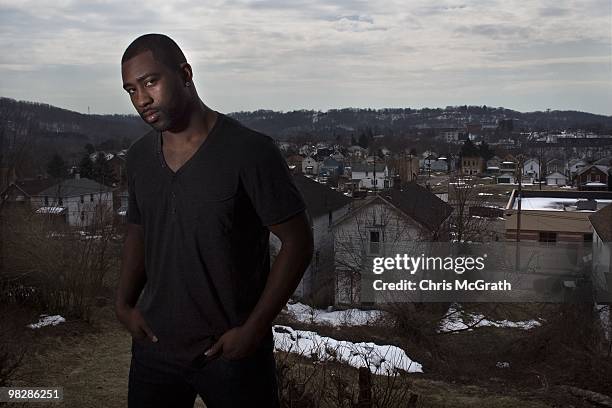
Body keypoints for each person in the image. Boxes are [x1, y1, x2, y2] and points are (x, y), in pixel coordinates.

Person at [115, 33, 314, 408]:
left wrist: (253, 330)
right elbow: (139, 229)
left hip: (230, 351)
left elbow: (298, 242)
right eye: (130, 90)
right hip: (155, 348)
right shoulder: (139, 156)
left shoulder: (250, 151)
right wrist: (123, 305)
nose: (141, 100)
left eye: (150, 82)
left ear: (185, 73)